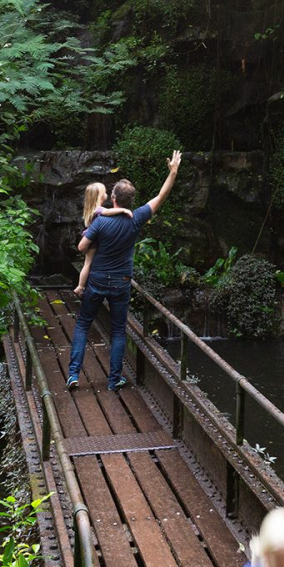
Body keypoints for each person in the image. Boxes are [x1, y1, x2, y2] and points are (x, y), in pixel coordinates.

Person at [67, 150, 182, 390]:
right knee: (119, 330)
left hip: (97, 279)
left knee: (83, 324)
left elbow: (82, 247)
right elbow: (161, 196)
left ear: (114, 199)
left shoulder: (100, 221)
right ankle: (113, 379)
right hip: (121, 281)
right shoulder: (137, 218)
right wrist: (173, 172)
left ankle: (73, 374)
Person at [74, 182, 132, 296]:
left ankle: (81, 286)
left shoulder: (91, 208)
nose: (107, 194)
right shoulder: (99, 209)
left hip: (91, 237)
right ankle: (80, 287)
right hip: (94, 240)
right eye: (105, 192)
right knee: (88, 263)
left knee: (87, 263)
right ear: (100, 196)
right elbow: (108, 211)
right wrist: (123, 210)